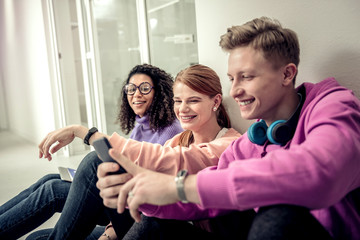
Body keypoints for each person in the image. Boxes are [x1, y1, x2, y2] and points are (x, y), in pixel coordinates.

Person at [98, 17, 360, 239]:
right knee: (156, 224)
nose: (234, 91)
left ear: (287, 74)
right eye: (232, 79)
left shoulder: (334, 106)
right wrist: (141, 192)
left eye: (247, 77)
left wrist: (179, 186)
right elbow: (205, 195)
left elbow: (319, 173)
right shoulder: (250, 141)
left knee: (277, 215)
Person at [25, 64, 242, 240]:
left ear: (215, 102)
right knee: (38, 237)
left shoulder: (230, 144)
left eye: (193, 101)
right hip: (152, 212)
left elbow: (173, 161)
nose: (183, 109)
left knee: (93, 163)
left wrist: (85, 133)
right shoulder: (178, 140)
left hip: (177, 226)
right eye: (178, 101)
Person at [0, 63, 183, 240]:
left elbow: (148, 182)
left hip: (138, 211)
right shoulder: (142, 125)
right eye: (131, 88)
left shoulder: (171, 130)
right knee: (39, 222)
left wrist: (111, 232)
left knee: (53, 189)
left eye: (144, 88)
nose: (136, 94)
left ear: (158, 91)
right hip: (120, 201)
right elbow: (116, 160)